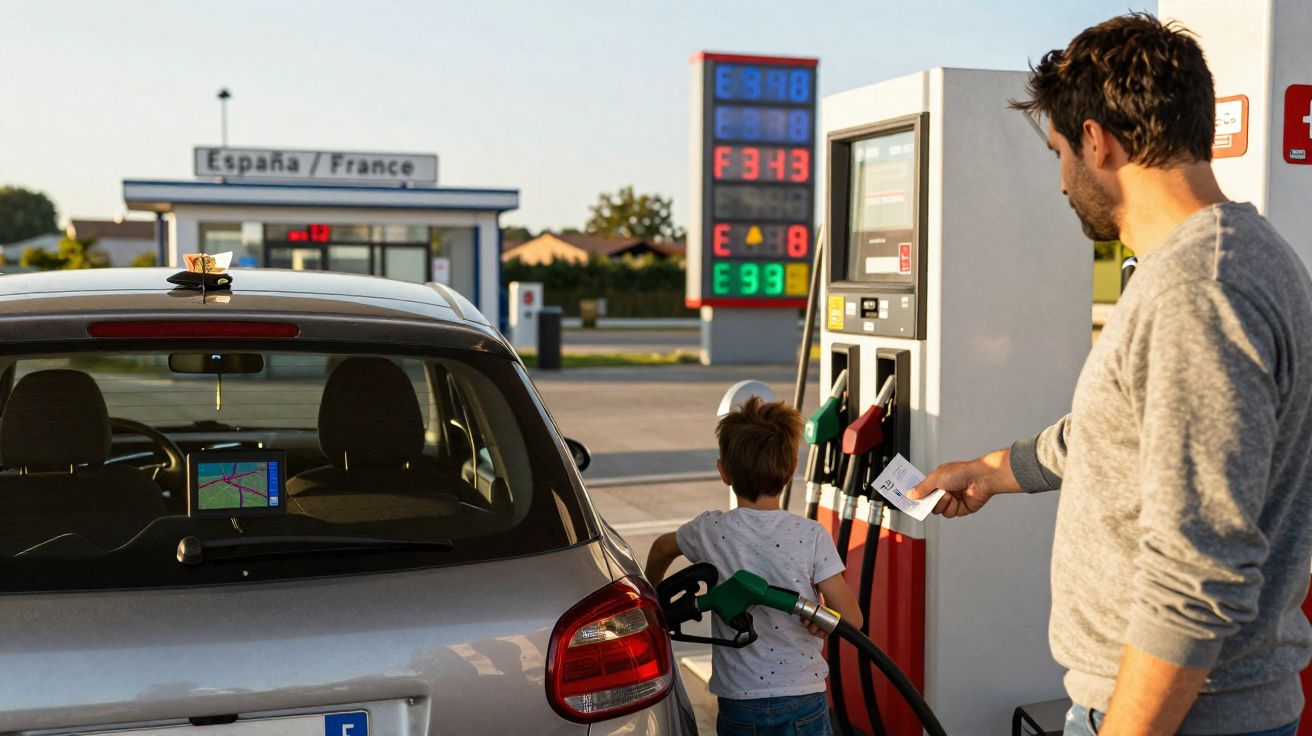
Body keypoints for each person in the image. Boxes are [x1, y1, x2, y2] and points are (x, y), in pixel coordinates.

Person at [905, 13, 1312, 736]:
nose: (1062, 180)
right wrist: (993, 472)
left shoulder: (1200, 291)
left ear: (1097, 141)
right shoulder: (1224, 260)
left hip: (1183, 717)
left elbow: (1197, 572)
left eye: (1060, 152)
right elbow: (1120, 427)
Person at [645, 396, 862, 736]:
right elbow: (852, 620)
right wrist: (823, 621)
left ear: (724, 472)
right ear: (792, 468)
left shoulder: (710, 530)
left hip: (740, 699)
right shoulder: (811, 534)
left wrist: (652, 596)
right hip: (802, 696)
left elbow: (661, 548)